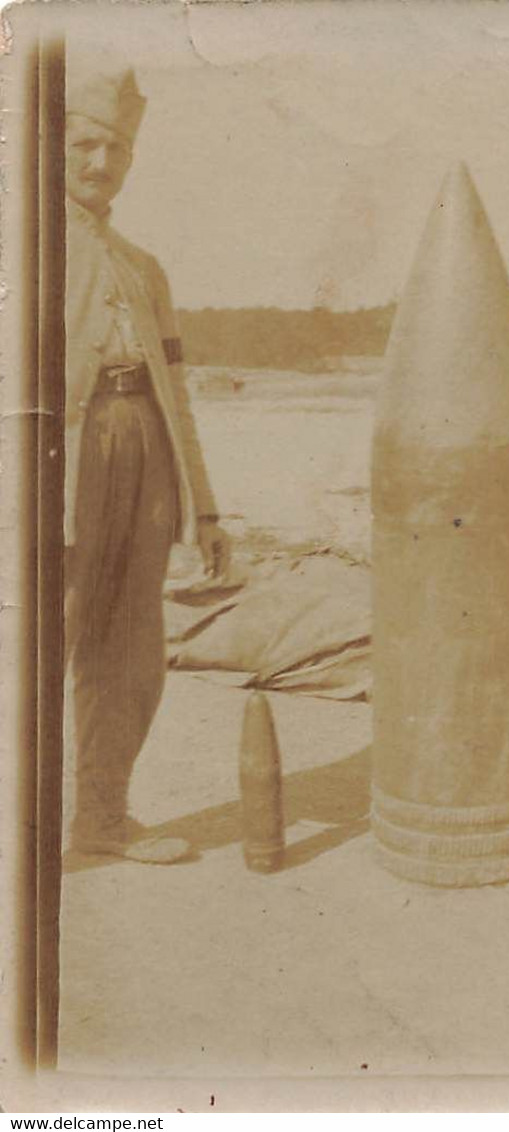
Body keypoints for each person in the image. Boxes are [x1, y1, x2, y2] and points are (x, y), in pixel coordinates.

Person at [64, 63, 230, 864]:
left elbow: (177, 392)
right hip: (61, 459)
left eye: (118, 150)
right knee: (41, 639)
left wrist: (205, 506)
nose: (101, 164)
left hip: (146, 450)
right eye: (86, 144)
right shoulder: (19, 247)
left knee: (129, 644)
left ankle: (100, 819)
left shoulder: (143, 266)